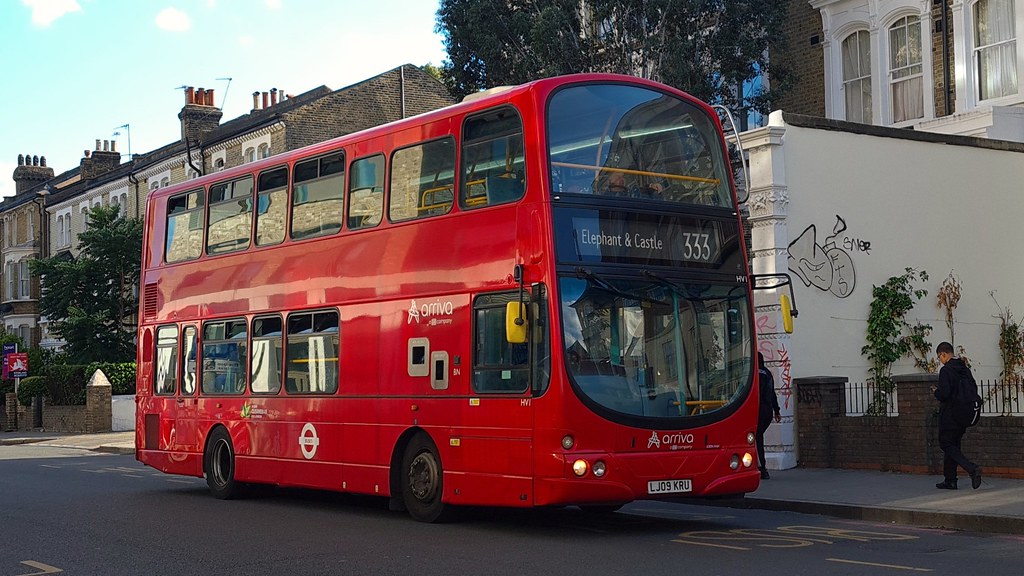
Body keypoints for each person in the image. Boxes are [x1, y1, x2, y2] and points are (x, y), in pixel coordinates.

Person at [933, 342, 982, 490]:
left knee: (945, 444)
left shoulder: (946, 371)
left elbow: (945, 394)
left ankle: (971, 468)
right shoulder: (964, 369)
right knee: (953, 446)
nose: (940, 360)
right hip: (963, 415)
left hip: (950, 415)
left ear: (944, 354)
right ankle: (950, 480)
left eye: (939, 357)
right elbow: (974, 388)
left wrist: (936, 391)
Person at [756, 352, 781, 479]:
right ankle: (761, 467)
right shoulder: (768, 373)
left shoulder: (758, 374)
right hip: (768, 410)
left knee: (757, 438)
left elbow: (757, 393)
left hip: (759, 409)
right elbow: (772, 393)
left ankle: (761, 468)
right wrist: (776, 410)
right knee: (759, 437)